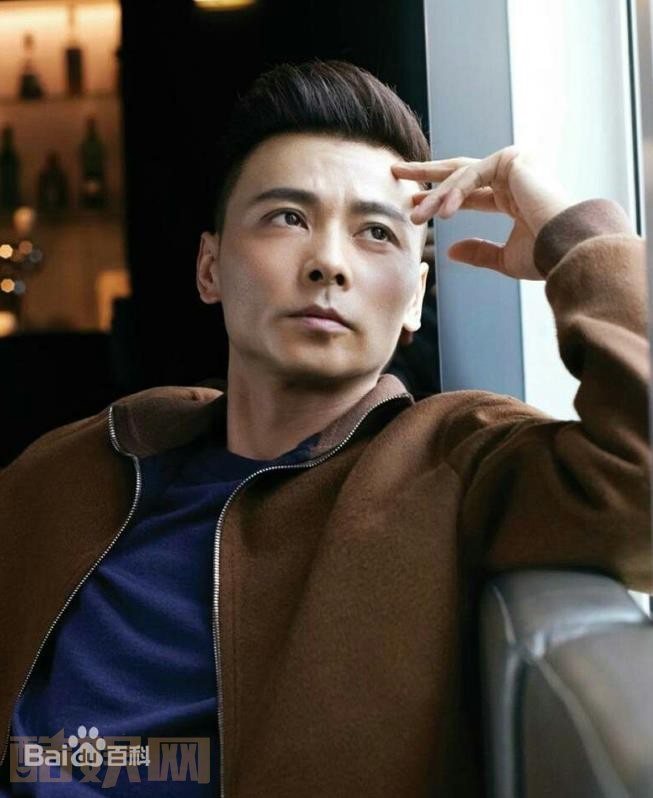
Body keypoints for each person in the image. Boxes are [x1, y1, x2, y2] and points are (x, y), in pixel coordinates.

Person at [0, 59, 650, 797]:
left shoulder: (451, 455)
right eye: (287, 217)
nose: (328, 264)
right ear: (210, 268)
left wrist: (574, 236)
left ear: (415, 299)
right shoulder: (100, 454)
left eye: (375, 232)